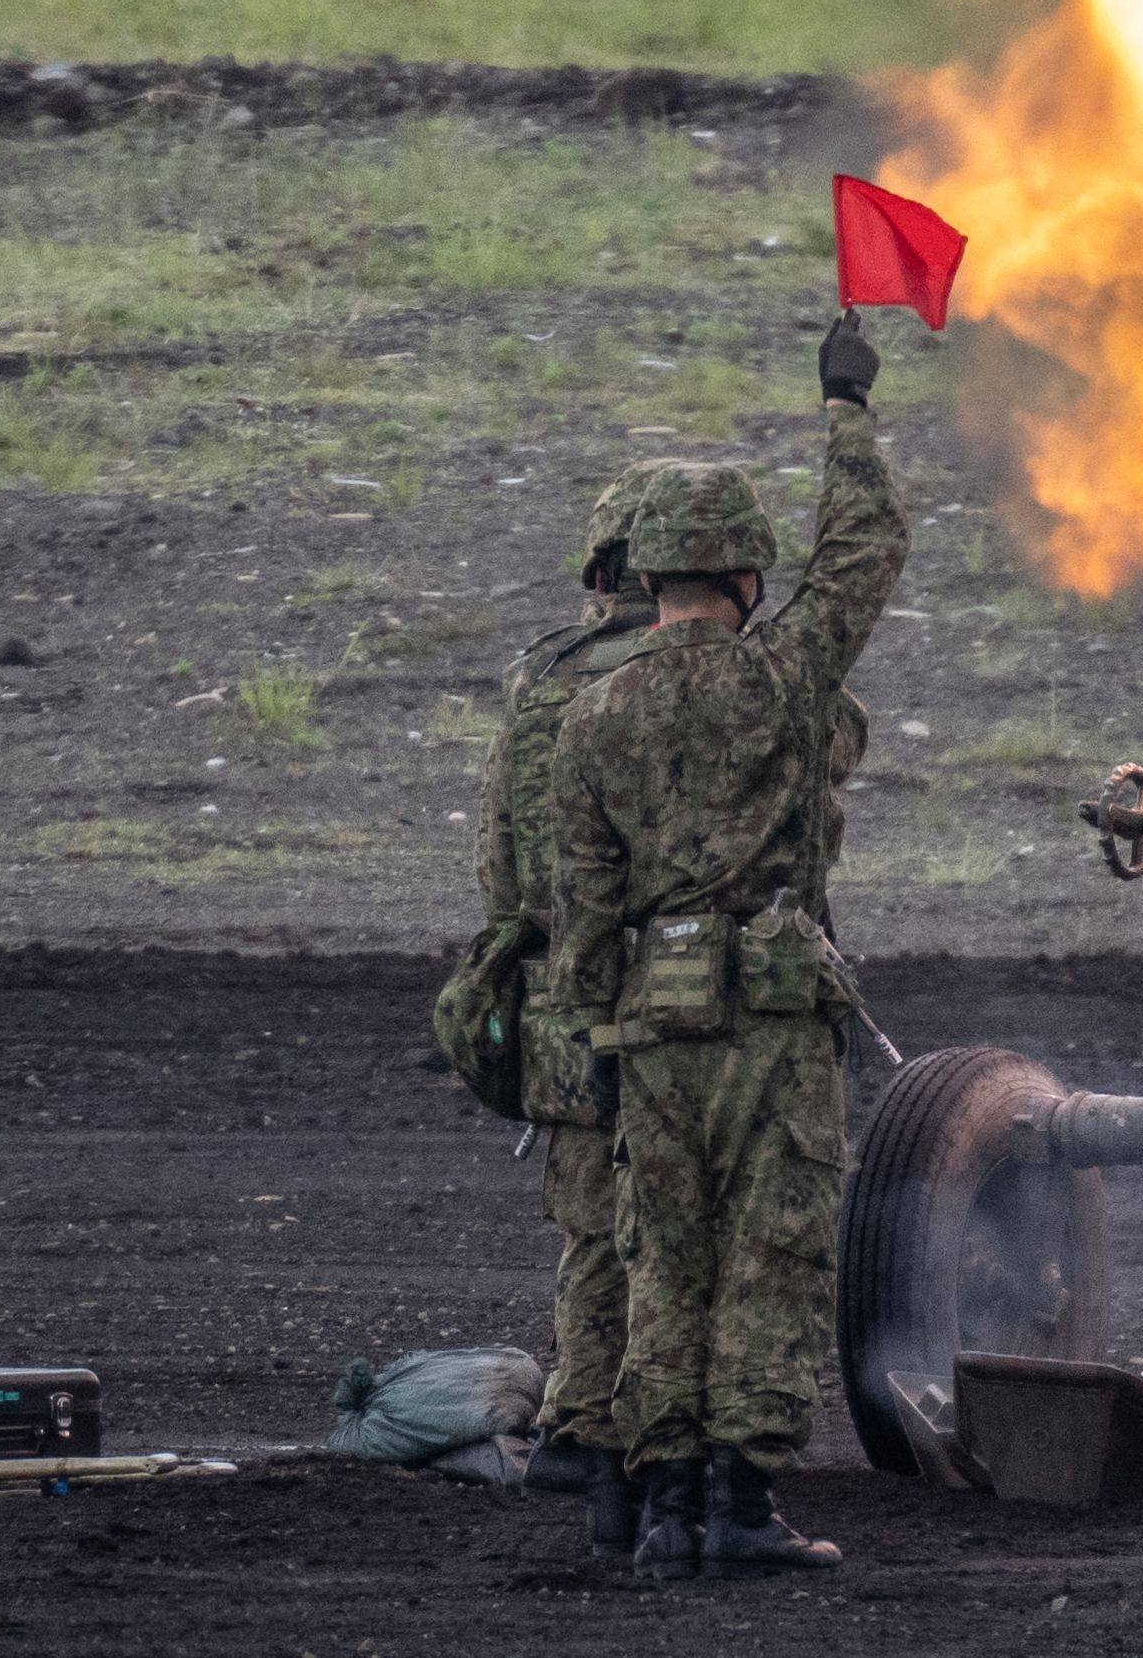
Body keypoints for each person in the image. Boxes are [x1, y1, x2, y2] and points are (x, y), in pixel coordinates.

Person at [549, 310, 906, 1580]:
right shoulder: (783, 677)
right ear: (749, 575)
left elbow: (580, 898)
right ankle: (740, 1508)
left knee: (663, 1260)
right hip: (765, 1015)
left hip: (646, 1021)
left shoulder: (590, 717)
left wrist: (592, 1034)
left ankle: (658, 1513)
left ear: (648, 577)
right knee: (771, 1251)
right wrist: (843, 408)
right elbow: (862, 554)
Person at [480, 470, 669, 1555]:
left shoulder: (537, 673)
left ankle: (577, 1422)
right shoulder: (679, 674)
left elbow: (498, 860)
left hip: (551, 991)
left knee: (589, 1226)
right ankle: (641, 1438)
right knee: (672, 1230)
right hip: (657, 994)